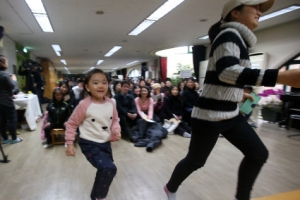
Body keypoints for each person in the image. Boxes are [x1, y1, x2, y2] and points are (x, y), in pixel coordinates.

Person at [164, 1, 300, 200]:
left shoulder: (238, 39)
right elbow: (227, 72)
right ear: (235, 13)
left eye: (261, 9)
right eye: (255, 7)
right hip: (209, 117)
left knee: (258, 154)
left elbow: (225, 78)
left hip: (230, 115)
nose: (259, 11)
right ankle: (170, 187)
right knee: (196, 161)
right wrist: (280, 77)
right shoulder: (228, 35)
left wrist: (239, 94)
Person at [65, 69, 121, 200]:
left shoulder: (111, 103)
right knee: (109, 168)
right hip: (89, 144)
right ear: (87, 87)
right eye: (96, 83)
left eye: (104, 82)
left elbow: (115, 120)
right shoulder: (84, 105)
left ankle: (97, 195)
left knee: (107, 170)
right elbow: (72, 123)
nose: (101, 86)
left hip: (105, 143)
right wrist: (69, 144)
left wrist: (116, 130)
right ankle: (98, 197)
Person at [0, 55, 22, 144]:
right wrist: (14, 79)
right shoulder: (4, 74)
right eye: (6, 62)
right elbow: (12, 86)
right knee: (12, 119)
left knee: (2, 121)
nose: (7, 63)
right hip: (6, 101)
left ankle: (5, 139)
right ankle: (14, 139)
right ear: (2, 63)